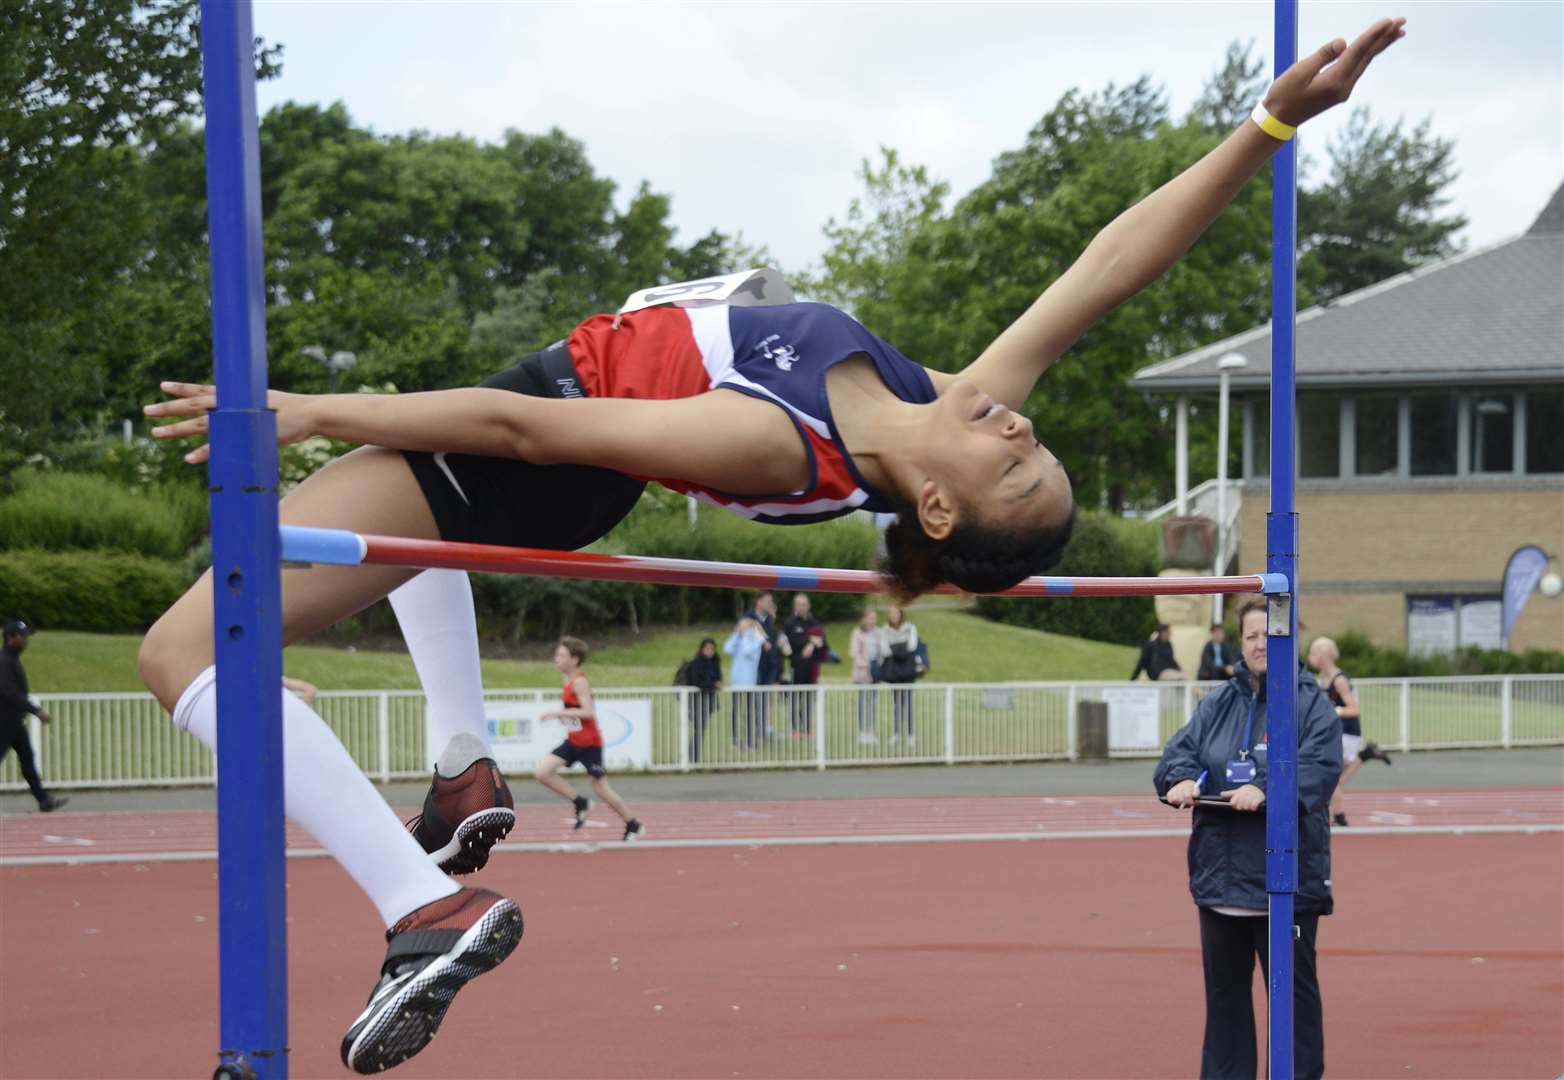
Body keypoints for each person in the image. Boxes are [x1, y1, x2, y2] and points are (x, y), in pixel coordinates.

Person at [135, 22, 1403, 1071]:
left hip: (536, 450)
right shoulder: (930, 390)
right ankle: (465, 768)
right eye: (1035, 436)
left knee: (187, 647)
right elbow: (1108, 265)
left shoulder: (776, 446)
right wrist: (1271, 126)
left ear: (946, 513)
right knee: (365, 573)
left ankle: (424, 907)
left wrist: (303, 408)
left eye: (1015, 458)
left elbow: (527, 427)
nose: (1018, 421)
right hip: (538, 442)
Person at [1154, 599, 1343, 1080]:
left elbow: (1318, 768)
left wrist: (1266, 788)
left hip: (1285, 885)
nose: (1262, 644)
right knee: (1225, 1002)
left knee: (1293, 1002)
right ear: (1241, 643)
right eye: (1252, 635)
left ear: (1290, 638)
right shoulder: (1220, 702)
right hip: (1221, 883)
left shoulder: (1310, 703)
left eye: (1271, 634)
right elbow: (1180, 753)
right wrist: (1177, 779)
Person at [534, 636, 643, 842]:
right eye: (557, 655)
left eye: (561, 655)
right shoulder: (566, 680)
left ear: (574, 660)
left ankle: (633, 824)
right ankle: (580, 802)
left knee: (601, 789)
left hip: (590, 744)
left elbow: (588, 712)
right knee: (542, 773)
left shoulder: (580, 682)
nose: (556, 659)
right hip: (574, 740)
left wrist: (558, 714)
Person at [1307, 636, 1391, 827]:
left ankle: (1339, 817)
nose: (1310, 657)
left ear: (1325, 656)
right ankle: (1365, 755)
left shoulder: (1340, 680)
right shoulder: (1322, 678)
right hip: (1334, 733)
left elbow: (1354, 709)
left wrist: (1333, 711)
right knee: (1333, 779)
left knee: (1330, 778)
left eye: (1313, 653)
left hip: (1347, 733)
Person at [1, 620, 68, 813]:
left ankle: (43, 800)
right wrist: (36, 710)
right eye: (23, 637)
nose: (26, 640)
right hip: (4, 721)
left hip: (13, 722)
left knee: (28, 759)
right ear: (11, 638)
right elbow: (9, 692)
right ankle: (43, 799)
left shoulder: (11, 660)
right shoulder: (4, 661)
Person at [782, 593, 828, 738]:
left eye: (804, 604)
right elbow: (792, 642)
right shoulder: (789, 623)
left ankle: (808, 729)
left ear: (809, 605)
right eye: (798, 604)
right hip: (796, 666)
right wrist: (810, 639)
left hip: (812, 667)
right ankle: (795, 729)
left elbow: (824, 643)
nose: (801, 607)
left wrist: (812, 643)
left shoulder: (816, 623)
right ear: (795, 606)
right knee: (796, 697)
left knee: (809, 697)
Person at [745, 591, 785, 740]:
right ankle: (753, 730)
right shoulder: (748, 618)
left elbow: (773, 642)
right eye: (768, 600)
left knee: (768, 698)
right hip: (755, 666)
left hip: (770, 665)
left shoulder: (770, 620)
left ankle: (766, 728)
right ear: (759, 601)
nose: (771, 604)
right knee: (753, 699)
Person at [879, 605, 921, 745]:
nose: (893, 616)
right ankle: (896, 733)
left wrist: (895, 649)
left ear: (901, 614)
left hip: (907, 669)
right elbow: (884, 650)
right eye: (891, 613)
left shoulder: (910, 628)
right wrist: (899, 649)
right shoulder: (885, 629)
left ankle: (910, 734)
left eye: (896, 613)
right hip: (894, 671)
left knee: (908, 702)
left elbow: (912, 646)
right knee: (897, 703)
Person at [723, 616, 766, 749]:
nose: (739, 628)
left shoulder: (755, 640)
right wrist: (736, 635)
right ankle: (735, 740)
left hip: (748, 683)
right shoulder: (738, 639)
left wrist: (748, 635)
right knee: (735, 711)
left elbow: (748, 651)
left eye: (742, 626)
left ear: (748, 627)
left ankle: (750, 740)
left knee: (749, 713)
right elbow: (727, 649)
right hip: (736, 682)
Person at [683, 637, 723, 763]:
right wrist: (712, 685)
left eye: (712, 649)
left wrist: (714, 684)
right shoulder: (696, 663)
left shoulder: (715, 662)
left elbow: (718, 678)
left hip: (708, 701)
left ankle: (693, 757)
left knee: (700, 730)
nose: (709, 651)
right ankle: (691, 757)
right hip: (695, 701)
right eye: (707, 648)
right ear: (702, 649)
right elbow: (696, 682)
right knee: (699, 729)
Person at [849, 609, 883, 744]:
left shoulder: (879, 632)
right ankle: (862, 732)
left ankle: (871, 731)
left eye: (874, 618)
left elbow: (882, 650)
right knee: (862, 701)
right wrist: (865, 664)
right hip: (863, 670)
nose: (872, 621)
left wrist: (878, 664)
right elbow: (853, 652)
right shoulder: (857, 632)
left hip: (875, 670)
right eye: (870, 618)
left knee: (873, 701)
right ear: (865, 618)